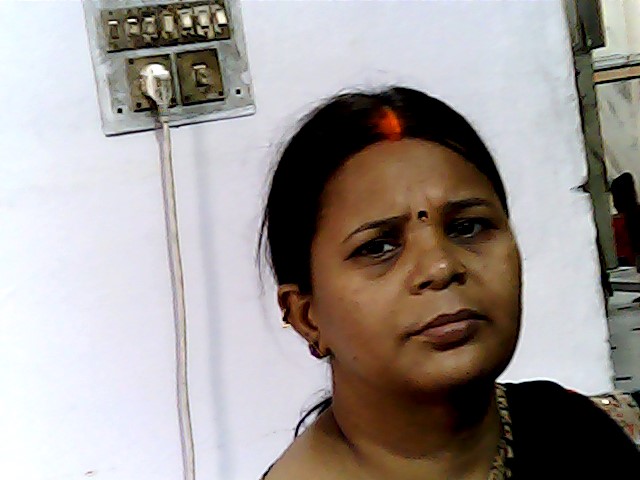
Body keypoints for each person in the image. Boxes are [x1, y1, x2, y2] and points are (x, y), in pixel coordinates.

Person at [258, 87, 640, 479]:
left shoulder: (573, 431)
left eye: (468, 226)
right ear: (307, 317)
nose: (441, 267)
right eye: (378, 247)